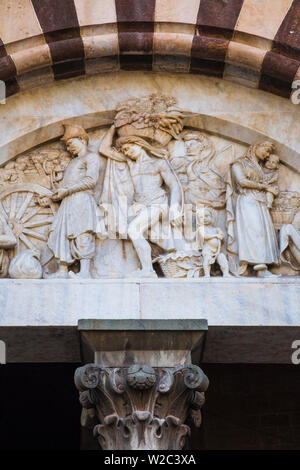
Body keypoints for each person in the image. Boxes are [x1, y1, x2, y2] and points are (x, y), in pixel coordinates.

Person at [99, 125, 183, 278]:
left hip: (157, 203)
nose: (126, 152)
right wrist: (112, 127)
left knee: (133, 230)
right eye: (123, 151)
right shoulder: (131, 163)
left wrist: (175, 208)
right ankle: (145, 265)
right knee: (124, 228)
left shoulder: (158, 162)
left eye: (128, 148)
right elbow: (104, 149)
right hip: (139, 205)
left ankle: (148, 271)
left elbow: (174, 184)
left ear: (138, 144)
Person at [46, 124, 100, 278]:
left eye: (70, 144)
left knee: (82, 234)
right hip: (68, 201)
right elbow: (67, 185)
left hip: (82, 200)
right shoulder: (73, 162)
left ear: (82, 139)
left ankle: (85, 272)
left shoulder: (91, 157)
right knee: (60, 233)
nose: (69, 149)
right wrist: (55, 195)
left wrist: (67, 190)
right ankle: (62, 270)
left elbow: (91, 180)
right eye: (66, 146)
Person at [226, 141, 279, 277]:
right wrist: (265, 187)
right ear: (256, 146)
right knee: (255, 231)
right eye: (266, 150)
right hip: (247, 200)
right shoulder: (239, 163)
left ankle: (262, 267)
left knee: (263, 232)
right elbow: (242, 181)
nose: (267, 155)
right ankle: (259, 267)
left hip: (260, 202)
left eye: (268, 152)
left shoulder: (260, 167)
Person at [196, 207, 232, 278]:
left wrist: (221, 236)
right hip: (208, 250)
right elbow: (205, 236)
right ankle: (207, 274)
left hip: (218, 250)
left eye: (206, 216)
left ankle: (226, 273)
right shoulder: (201, 229)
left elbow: (222, 236)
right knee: (207, 260)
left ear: (212, 217)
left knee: (222, 259)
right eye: (201, 217)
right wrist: (216, 235)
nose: (204, 218)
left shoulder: (216, 229)